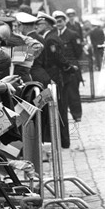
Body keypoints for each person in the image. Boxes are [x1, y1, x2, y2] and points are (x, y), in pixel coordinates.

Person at [35, 12, 77, 148]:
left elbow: (58, 57)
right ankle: (61, 140)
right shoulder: (50, 37)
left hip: (55, 77)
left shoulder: (50, 39)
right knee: (59, 108)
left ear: (46, 24)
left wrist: (69, 67)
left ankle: (64, 141)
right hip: (54, 76)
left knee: (60, 108)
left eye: (39, 23)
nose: (37, 26)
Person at [53, 10, 83, 122]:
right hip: (59, 67)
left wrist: (72, 64)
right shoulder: (54, 35)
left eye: (60, 21)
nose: (58, 24)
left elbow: (78, 51)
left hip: (71, 66)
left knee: (73, 91)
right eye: (56, 22)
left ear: (65, 21)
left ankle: (77, 114)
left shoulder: (72, 34)